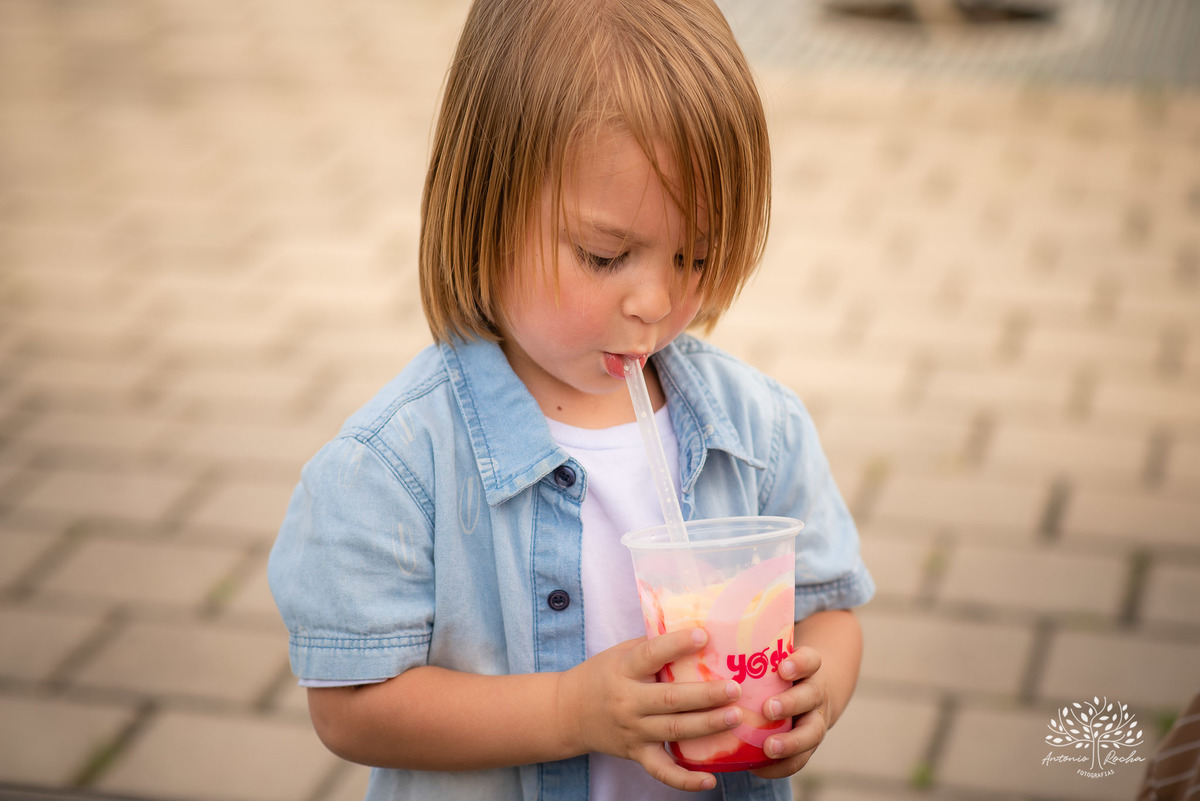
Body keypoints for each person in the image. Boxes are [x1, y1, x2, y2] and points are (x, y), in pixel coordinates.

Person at [267, 0, 875, 799]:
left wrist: (815, 693)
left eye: (695, 257)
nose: (655, 301)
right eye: (605, 254)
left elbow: (830, 609)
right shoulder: (397, 465)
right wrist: (569, 710)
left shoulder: (757, 429)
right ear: (486, 207)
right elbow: (351, 709)